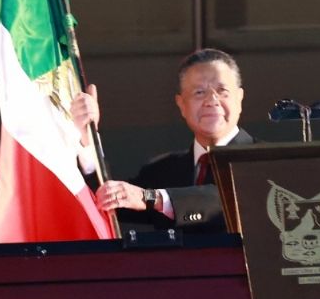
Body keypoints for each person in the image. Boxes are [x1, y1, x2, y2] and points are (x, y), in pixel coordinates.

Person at [70, 48, 256, 233]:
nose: (212, 100)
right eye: (199, 92)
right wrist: (87, 136)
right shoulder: (162, 172)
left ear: (239, 98)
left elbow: (233, 198)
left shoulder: (265, 162)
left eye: (222, 91)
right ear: (181, 105)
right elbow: (105, 200)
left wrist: (153, 198)